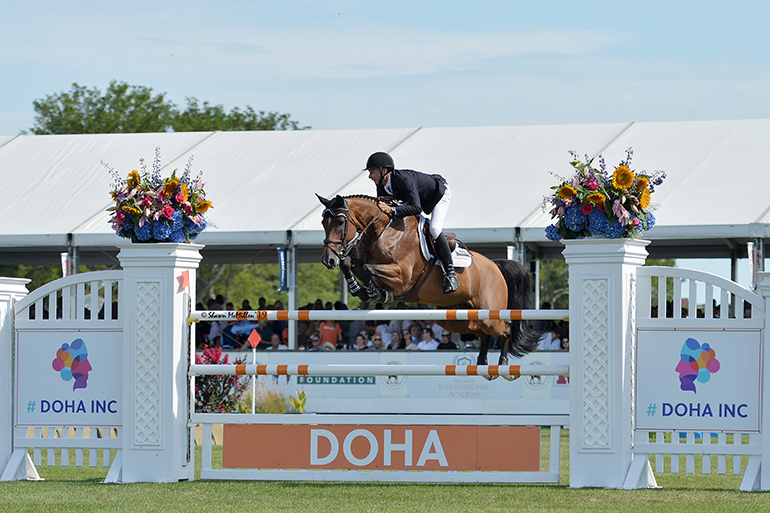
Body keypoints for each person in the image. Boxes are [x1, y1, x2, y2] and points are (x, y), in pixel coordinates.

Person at [364, 151, 458, 294]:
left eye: (372, 172)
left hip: (438, 195)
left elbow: (416, 208)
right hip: (417, 200)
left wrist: (393, 210)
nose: (370, 176)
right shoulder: (381, 184)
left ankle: (450, 273)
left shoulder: (403, 180)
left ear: (384, 170)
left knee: (434, 228)